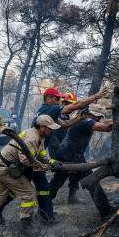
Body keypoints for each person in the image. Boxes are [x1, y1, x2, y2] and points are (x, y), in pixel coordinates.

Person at [27, 87, 108, 222]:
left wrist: (77, 117)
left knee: (47, 185)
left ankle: (45, 215)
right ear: (48, 99)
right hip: (44, 153)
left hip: (44, 153)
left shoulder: (50, 114)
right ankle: (106, 211)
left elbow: (64, 125)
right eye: (57, 99)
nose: (59, 101)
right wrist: (95, 96)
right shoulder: (49, 109)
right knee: (21, 188)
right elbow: (76, 106)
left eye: (60, 99)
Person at [0, 115, 62, 233]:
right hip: (5, 169)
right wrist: (43, 166)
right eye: (50, 128)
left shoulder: (39, 136)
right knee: (29, 194)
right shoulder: (32, 138)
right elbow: (25, 160)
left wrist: (50, 161)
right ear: (42, 127)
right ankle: (26, 226)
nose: (52, 130)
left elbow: (41, 154)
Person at [49, 107, 113, 216]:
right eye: (96, 116)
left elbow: (105, 122)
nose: (98, 119)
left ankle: (44, 206)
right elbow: (107, 127)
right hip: (71, 155)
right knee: (91, 180)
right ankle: (106, 211)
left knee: (57, 182)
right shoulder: (86, 122)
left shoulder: (84, 121)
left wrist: (116, 119)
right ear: (88, 114)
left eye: (99, 117)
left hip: (68, 154)